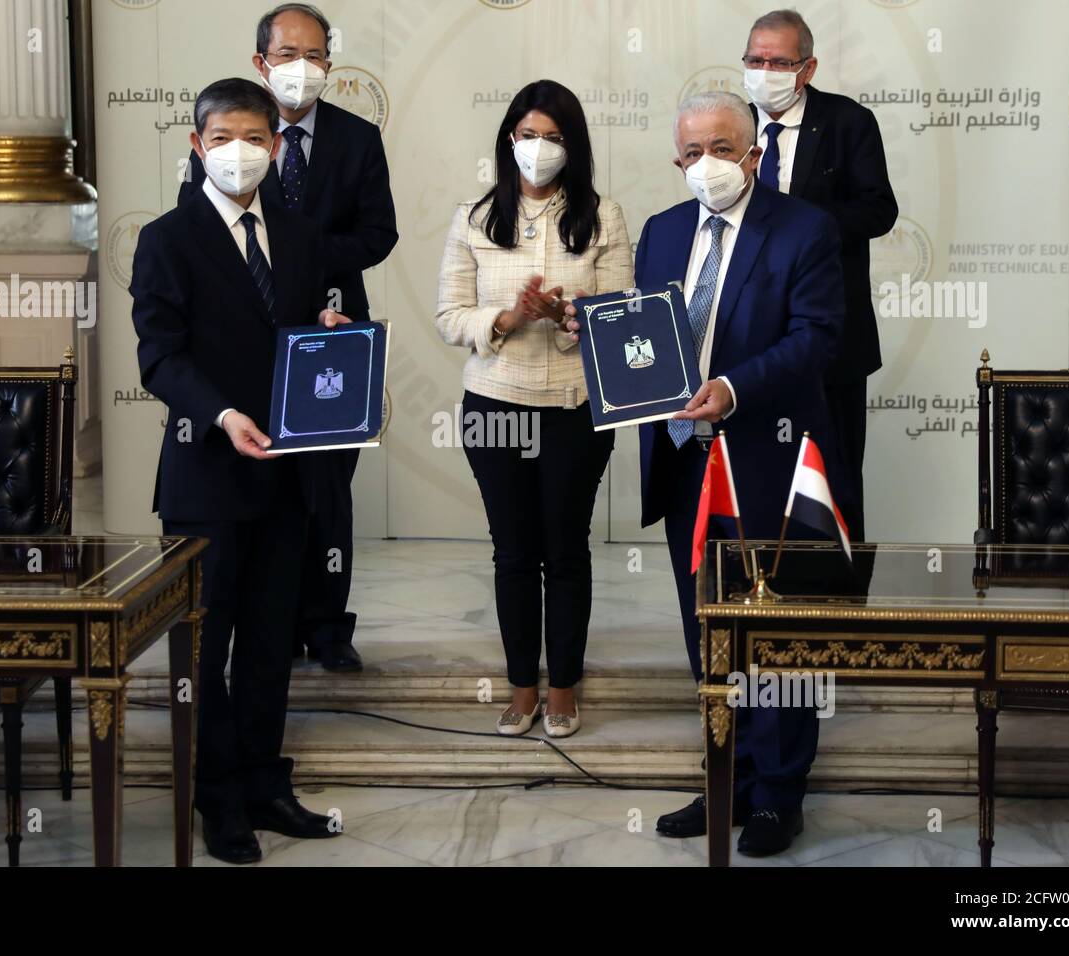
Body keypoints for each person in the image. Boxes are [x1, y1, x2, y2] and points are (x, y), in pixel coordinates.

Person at [566, 91, 850, 856]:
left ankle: (779, 793)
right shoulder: (661, 231)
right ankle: (727, 774)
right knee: (709, 630)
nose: (707, 165)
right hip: (687, 460)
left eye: (723, 148)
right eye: (692, 152)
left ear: (753, 152)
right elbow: (645, 333)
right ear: (676, 160)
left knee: (775, 632)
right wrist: (593, 330)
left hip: (769, 457)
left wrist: (732, 388)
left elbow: (818, 338)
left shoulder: (805, 229)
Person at [132, 78, 349, 864]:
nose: (239, 152)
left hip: (286, 477)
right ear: (197, 146)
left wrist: (327, 332)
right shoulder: (166, 238)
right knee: (203, 648)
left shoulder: (298, 234)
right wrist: (224, 415)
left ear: (276, 145)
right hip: (206, 476)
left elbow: (299, 337)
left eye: (254, 137)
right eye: (221, 137)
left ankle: (265, 783)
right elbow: (160, 356)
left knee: (267, 644)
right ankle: (216, 797)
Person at [180, 3, 399, 673]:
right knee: (256, 479)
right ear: (260, 62)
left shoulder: (358, 139)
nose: (300, 69)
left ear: (329, 64)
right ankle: (259, 622)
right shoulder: (227, 140)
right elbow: (200, 229)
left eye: (314, 56)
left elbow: (378, 234)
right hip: (243, 336)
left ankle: (328, 626)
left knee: (327, 486)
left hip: (329, 334)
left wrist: (296, 258)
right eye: (286, 55)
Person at [435, 79, 632, 739]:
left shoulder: (603, 216)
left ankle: (565, 689)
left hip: (575, 405)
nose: (539, 149)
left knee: (565, 550)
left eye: (552, 137)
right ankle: (523, 687)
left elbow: (620, 318)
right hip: (495, 404)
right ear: (508, 140)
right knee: (514, 552)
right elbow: (449, 315)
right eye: (528, 136)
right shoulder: (472, 216)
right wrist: (510, 315)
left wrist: (572, 317)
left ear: (571, 146)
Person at [743, 8, 897, 541]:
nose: (765, 70)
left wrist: (801, 224)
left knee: (834, 482)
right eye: (755, 59)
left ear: (807, 68)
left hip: (832, 339)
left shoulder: (847, 122)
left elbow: (880, 211)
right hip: (746, 344)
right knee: (757, 479)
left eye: (779, 61)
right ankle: (752, 603)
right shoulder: (731, 125)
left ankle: (842, 607)